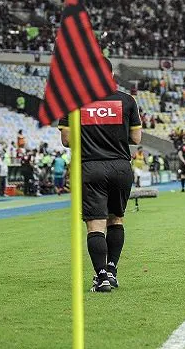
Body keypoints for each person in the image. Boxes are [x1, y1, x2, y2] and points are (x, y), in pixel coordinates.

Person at [58, 58, 142, 292]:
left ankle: (102, 276)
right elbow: (136, 139)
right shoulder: (127, 100)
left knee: (95, 225)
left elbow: (66, 140)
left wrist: (89, 136)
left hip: (90, 167)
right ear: (111, 75)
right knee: (116, 219)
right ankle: (113, 270)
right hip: (120, 167)